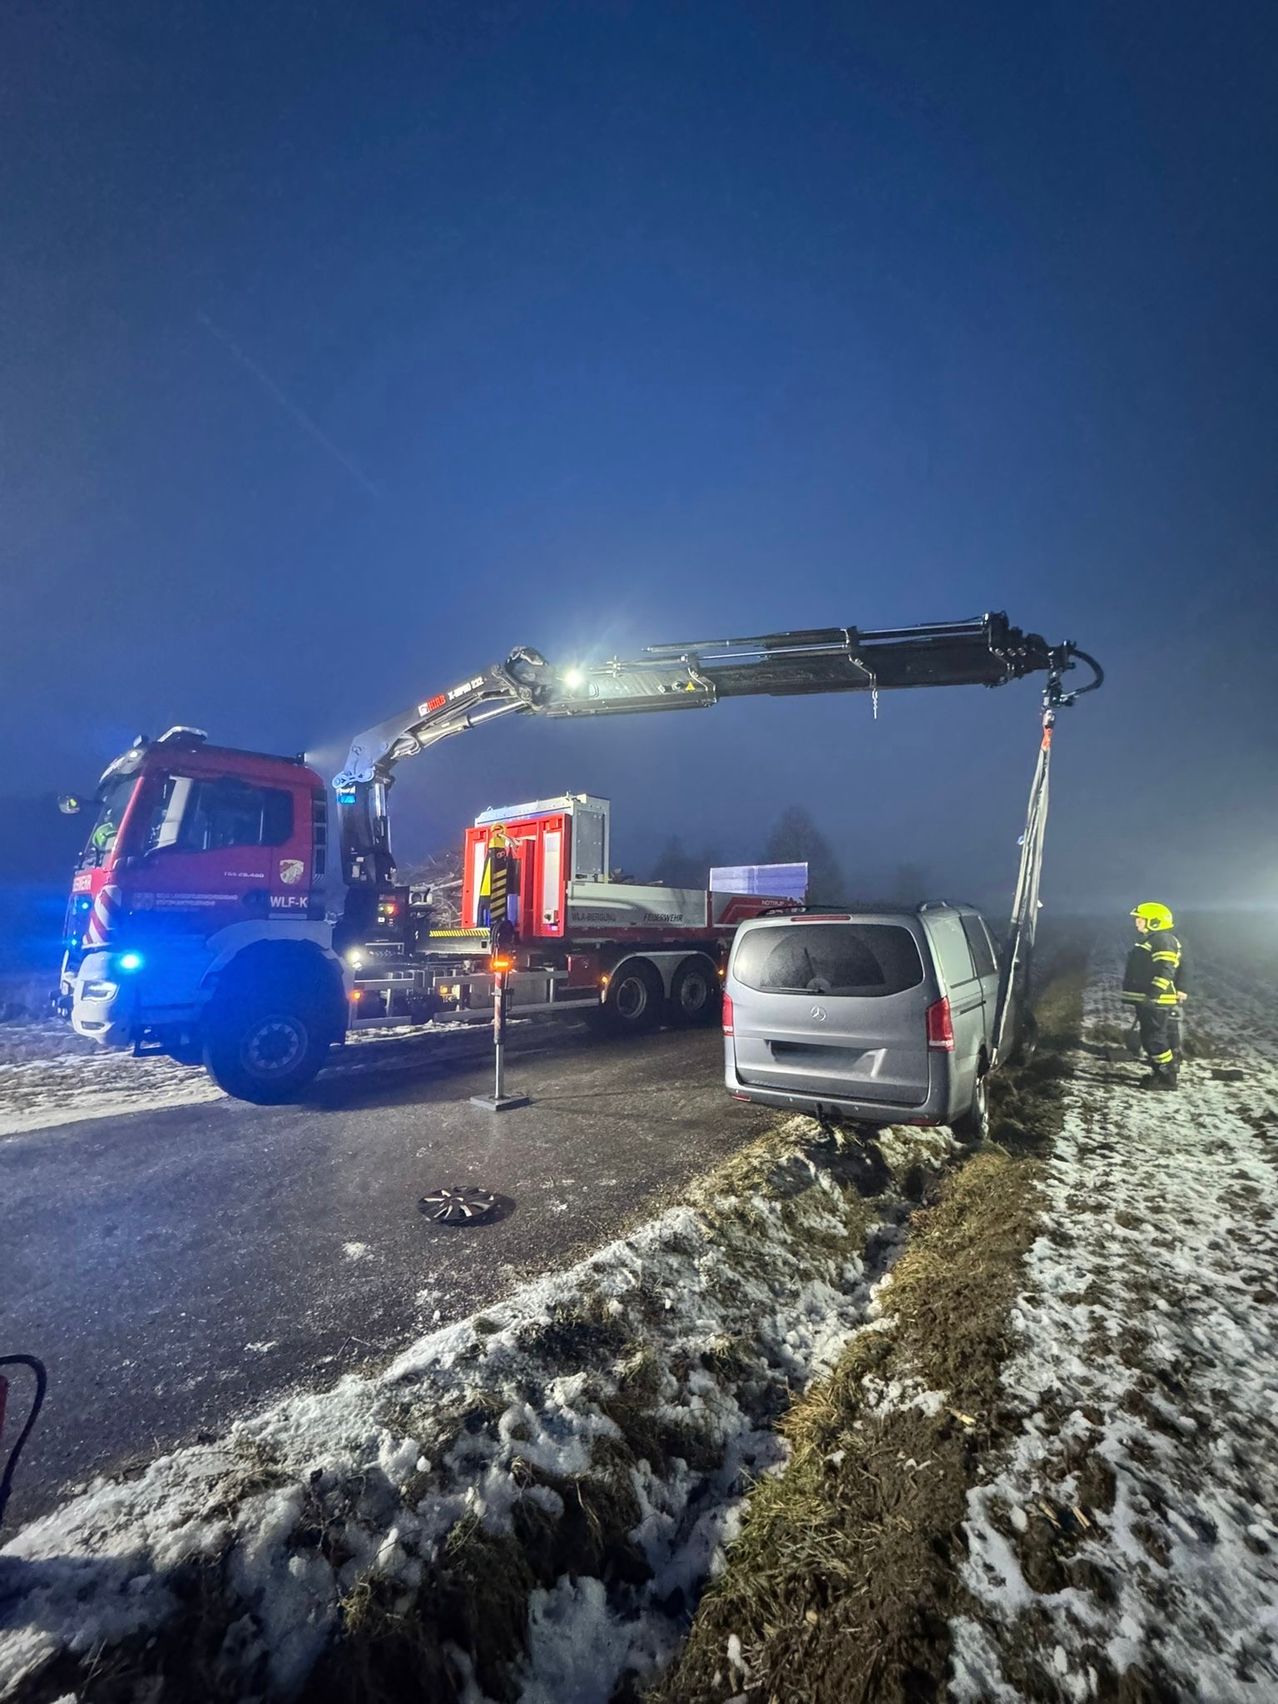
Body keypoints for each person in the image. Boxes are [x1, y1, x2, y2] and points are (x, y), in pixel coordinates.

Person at [1121, 902, 1188, 1089]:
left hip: (1155, 1001)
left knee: (1154, 1039)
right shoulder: (1154, 939)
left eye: (1141, 919)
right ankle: (1161, 1073)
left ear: (1155, 921)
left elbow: (1166, 970)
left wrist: (1153, 995)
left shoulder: (1162, 940)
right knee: (1152, 1037)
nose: (1137, 923)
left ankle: (1166, 1077)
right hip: (1151, 999)